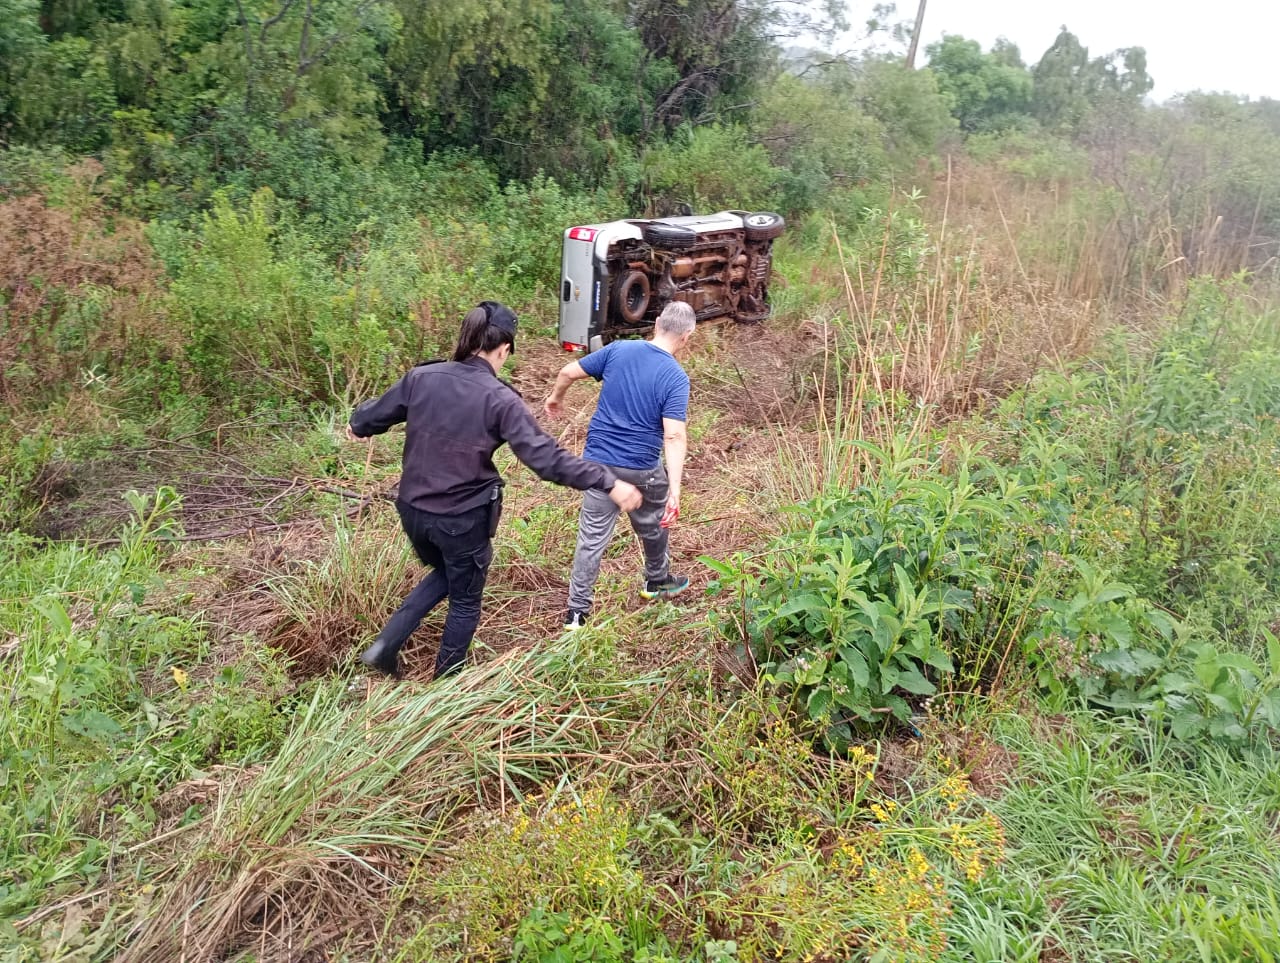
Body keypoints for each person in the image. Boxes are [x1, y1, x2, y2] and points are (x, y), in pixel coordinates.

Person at [346, 301, 642, 679]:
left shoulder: (423, 377)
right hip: (460, 517)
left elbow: (371, 416)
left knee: (447, 570)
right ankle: (447, 685)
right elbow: (545, 459)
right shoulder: (500, 398)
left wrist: (357, 426)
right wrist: (608, 482)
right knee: (466, 599)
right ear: (503, 348)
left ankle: (386, 645)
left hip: (412, 511)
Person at [543, 301, 696, 629]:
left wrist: (556, 398)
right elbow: (673, 436)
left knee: (591, 538)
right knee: (654, 522)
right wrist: (675, 491)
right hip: (642, 469)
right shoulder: (676, 377)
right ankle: (656, 580)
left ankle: (576, 613)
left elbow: (568, 372)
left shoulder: (619, 350)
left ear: (656, 324)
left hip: (598, 467)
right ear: (687, 337)